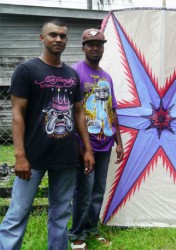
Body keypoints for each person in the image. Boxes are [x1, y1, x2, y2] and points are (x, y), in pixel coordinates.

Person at [0, 18, 94, 250]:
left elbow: (79, 113)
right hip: (33, 157)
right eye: (53, 35)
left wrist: (87, 149)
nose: (58, 39)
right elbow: (17, 114)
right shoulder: (26, 70)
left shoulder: (72, 75)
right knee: (17, 213)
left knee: (60, 214)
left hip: (66, 156)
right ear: (43, 38)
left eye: (63, 36)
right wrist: (20, 155)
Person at [68, 28, 124, 250]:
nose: (95, 48)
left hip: (105, 143)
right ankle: (77, 235)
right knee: (83, 191)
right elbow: (72, 111)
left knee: (98, 190)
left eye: (99, 44)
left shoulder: (106, 76)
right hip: (84, 145)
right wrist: (80, 146)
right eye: (90, 44)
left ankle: (92, 229)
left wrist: (119, 142)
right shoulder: (75, 73)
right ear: (83, 47)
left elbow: (113, 111)